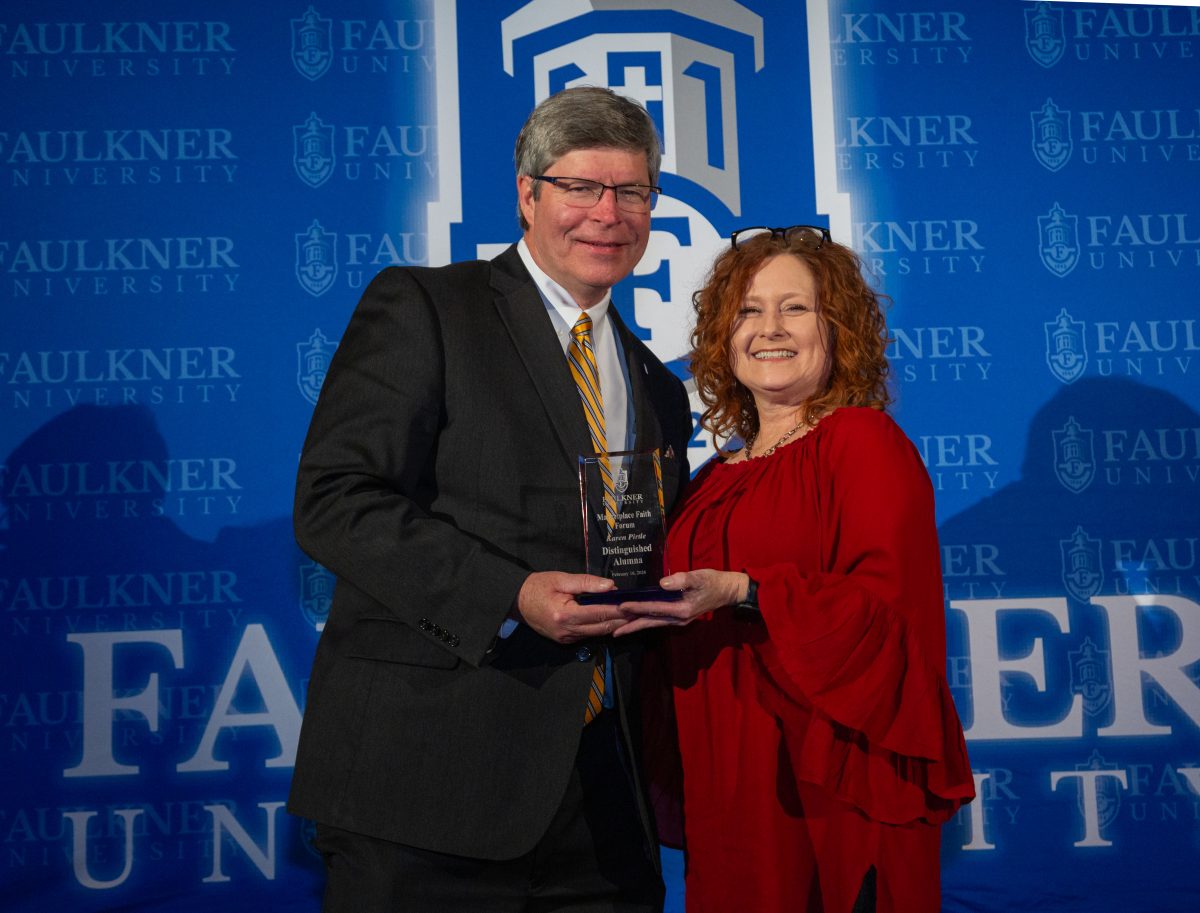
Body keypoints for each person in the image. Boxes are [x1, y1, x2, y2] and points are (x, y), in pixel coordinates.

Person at [288, 86, 693, 912]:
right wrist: (506, 594)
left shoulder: (657, 383)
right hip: (425, 790)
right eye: (581, 187)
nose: (606, 213)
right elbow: (334, 498)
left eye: (631, 192)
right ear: (528, 193)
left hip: (601, 807)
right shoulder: (427, 308)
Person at [615, 226, 975, 912]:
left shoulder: (863, 443)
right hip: (728, 783)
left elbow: (886, 616)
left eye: (796, 308)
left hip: (829, 780)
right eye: (748, 310)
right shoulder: (710, 477)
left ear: (836, 329)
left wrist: (747, 591)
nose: (768, 328)